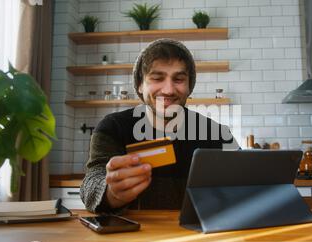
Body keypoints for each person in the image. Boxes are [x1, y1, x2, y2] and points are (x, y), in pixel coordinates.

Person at [80, 39, 238, 214]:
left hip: (201, 236)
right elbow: (91, 182)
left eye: (178, 79)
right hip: (135, 237)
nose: (169, 90)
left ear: (189, 86)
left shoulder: (217, 133)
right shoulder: (112, 127)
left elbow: (246, 179)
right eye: (157, 78)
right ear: (140, 85)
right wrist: (111, 192)